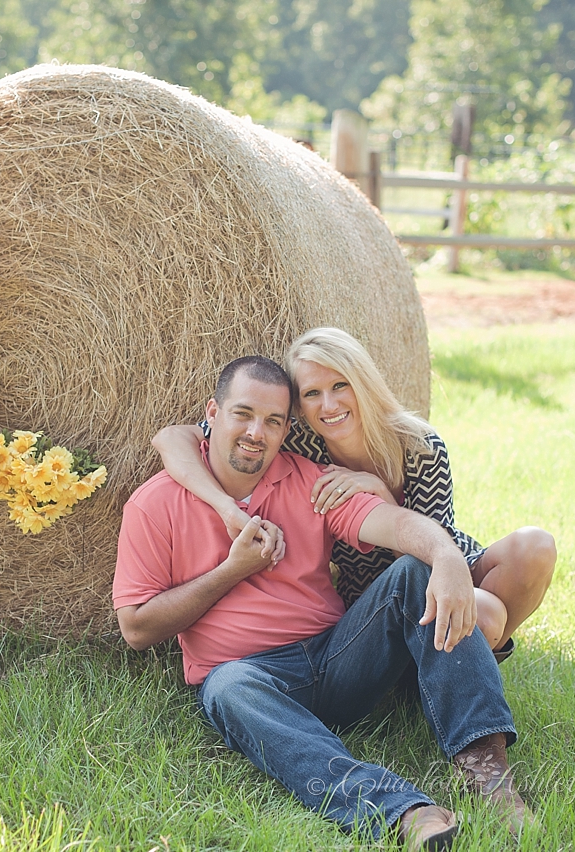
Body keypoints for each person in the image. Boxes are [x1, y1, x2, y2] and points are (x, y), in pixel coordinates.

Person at [114, 356, 535, 849]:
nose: (256, 432)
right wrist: (232, 570)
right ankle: (403, 811)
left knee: (413, 571)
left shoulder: (310, 480)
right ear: (213, 412)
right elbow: (137, 629)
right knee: (226, 689)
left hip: (337, 657)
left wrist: (444, 553)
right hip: (251, 678)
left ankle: (488, 774)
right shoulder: (155, 504)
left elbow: (393, 524)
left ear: (287, 429)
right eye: (243, 414)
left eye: (273, 421)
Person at [152, 327, 556, 662]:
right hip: (369, 591)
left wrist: (382, 496)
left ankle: (466, 665)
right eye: (311, 394)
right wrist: (225, 507)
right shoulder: (301, 448)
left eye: (339, 385)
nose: (328, 405)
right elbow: (171, 439)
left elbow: (429, 550)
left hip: (436, 559)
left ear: (361, 382)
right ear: (299, 409)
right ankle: (453, 659)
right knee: (486, 615)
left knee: (535, 547)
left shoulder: (419, 447)